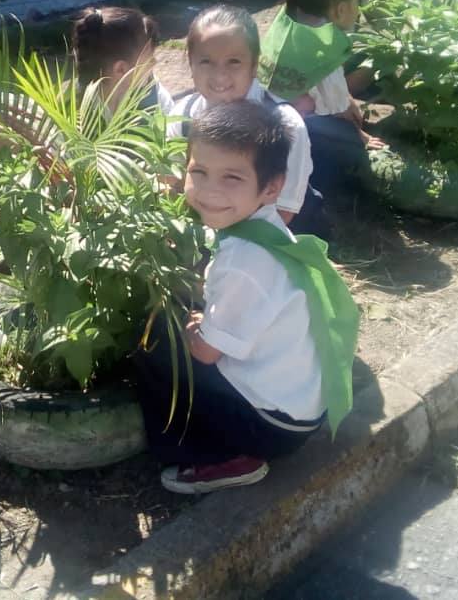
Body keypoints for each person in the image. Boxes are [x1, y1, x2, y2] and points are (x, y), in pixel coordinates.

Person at [134, 101, 358, 493]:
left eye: (232, 178)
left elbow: (205, 353)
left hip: (270, 427)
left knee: (155, 342)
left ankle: (212, 455)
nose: (208, 191)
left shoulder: (243, 260)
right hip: (296, 407)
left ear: (272, 186)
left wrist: (191, 327)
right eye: (198, 172)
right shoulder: (264, 228)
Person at [167, 5, 323, 234]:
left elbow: (284, 210)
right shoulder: (181, 114)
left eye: (234, 62)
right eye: (206, 61)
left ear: (254, 64)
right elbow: (170, 183)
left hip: (259, 238)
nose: (220, 76)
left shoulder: (285, 124)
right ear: (190, 64)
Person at [259, 0, 382, 195]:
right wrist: (362, 136)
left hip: (263, 114)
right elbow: (340, 110)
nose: (358, 10)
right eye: (357, 3)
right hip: (291, 134)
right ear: (341, 9)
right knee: (350, 141)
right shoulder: (323, 49)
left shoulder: (289, 20)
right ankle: (321, 183)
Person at [72, 6, 173, 119]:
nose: (154, 62)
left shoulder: (151, 92)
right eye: (149, 59)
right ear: (121, 69)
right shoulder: (74, 118)